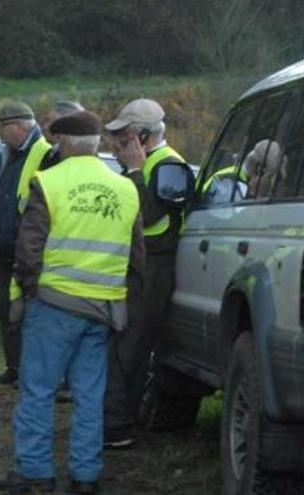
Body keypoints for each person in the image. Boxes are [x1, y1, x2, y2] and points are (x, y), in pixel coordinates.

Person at [0, 111, 143, 494]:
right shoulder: (126, 188)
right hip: (103, 308)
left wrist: (27, 291)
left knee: (38, 389)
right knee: (90, 395)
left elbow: (29, 250)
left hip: (54, 304)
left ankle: (34, 472)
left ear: (61, 143)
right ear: (95, 146)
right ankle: (86, 477)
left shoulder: (49, 181)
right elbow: (137, 257)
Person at [103, 98, 193, 448]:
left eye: (123, 135)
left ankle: (117, 427)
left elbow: (150, 216)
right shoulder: (149, 163)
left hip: (154, 267)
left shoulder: (167, 165)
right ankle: (120, 422)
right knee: (126, 345)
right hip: (141, 264)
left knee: (129, 347)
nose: (116, 142)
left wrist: (137, 171)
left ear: (141, 136)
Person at [0, 101, 51, 386]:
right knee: (5, 308)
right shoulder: (8, 154)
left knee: (27, 312)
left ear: (20, 127)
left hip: (29, 250)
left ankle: (28, 372)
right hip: (7, 248)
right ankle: (15, 368)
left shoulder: (45, 155)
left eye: (3, 126)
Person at [40, 100, 85, 169]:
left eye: (49, 120)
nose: (45, 127)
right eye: (46, 121)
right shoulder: (49, 152)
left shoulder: (71, 156)